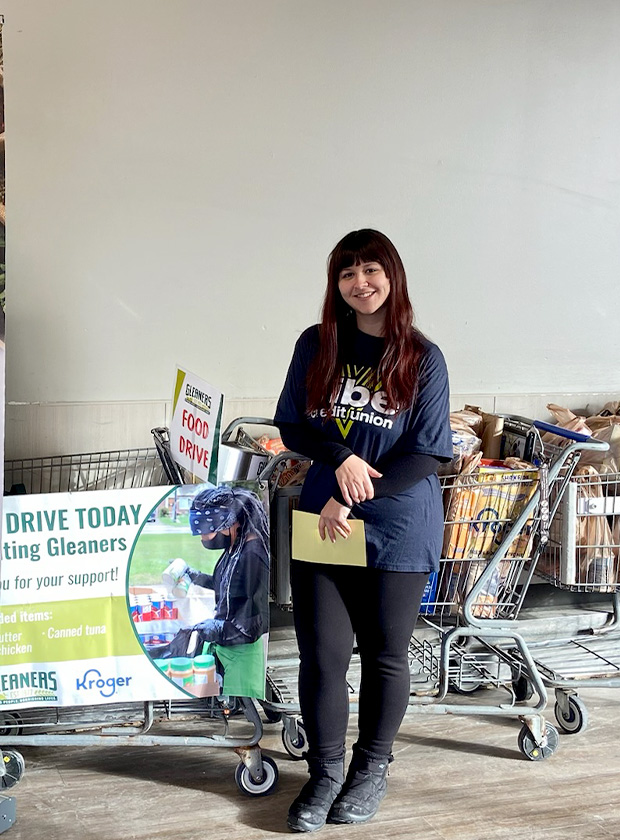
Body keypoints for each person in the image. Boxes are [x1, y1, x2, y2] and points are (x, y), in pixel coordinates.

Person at [274, 229, 451, 832]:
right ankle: (324, 774)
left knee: (383, 655)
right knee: (321, 655)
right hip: (325, 519)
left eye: (371, 270)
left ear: (392, 276)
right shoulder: (317, 343)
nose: (360, 283)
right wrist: (342, 458)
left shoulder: (423, 357)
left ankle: (370, 768)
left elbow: (428, 453)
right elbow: (294, 426)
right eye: (347, 273)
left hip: (397, 525)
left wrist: (352, 495)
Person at [179, 485, 271, 697]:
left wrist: (221, 629)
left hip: (242, 651)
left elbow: (257, 614)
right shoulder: (234, 547)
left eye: (207, 529)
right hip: (227, 644)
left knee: (241, 700)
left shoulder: (253, 555)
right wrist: (194, 575)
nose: (203, 537)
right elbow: (226, 585)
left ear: (230, 521)